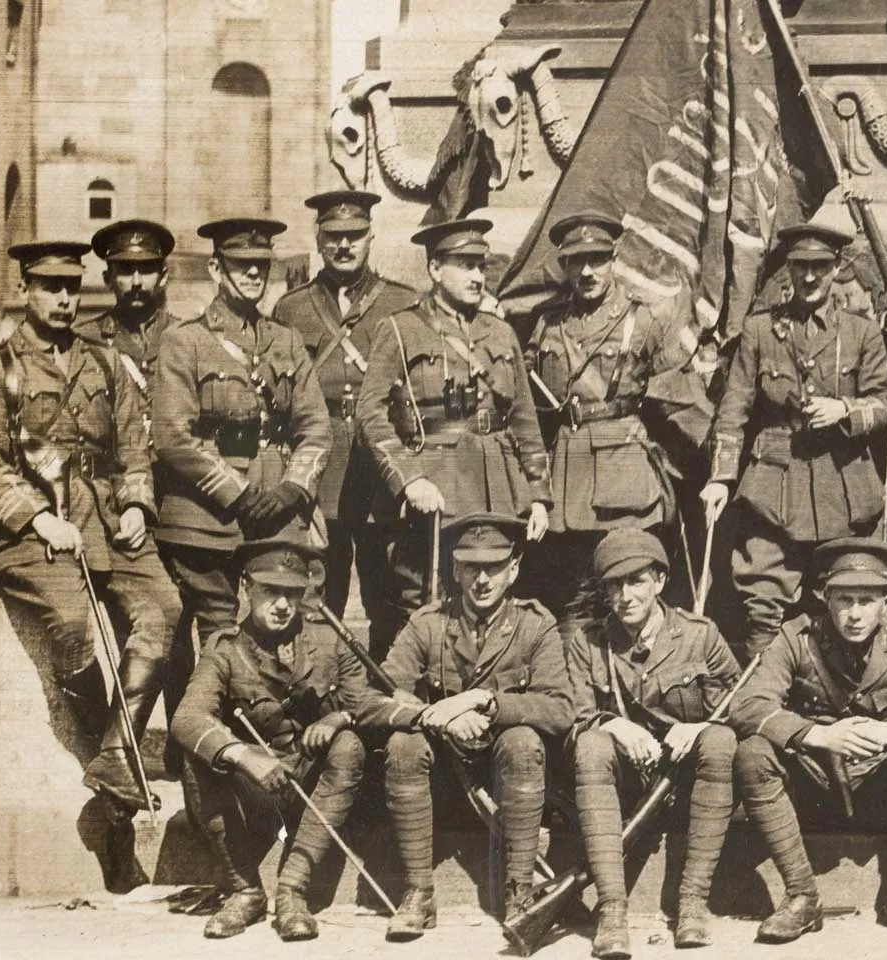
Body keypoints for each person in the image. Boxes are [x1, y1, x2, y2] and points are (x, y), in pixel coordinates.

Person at [0, 240, 182, 813]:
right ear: (26, 291)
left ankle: (114, 750)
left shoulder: (102, 361)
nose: (61, 299)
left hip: (107, 520)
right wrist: (37, 518)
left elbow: (132, 445)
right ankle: (98, 751)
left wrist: (136, 505)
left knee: (165, 609)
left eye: (70, 287)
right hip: (29, 535)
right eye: (48, 287)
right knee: (72, 619)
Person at [168, 537, 426, 941]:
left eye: (292, 593)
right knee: (198, 754)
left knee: (348, 745)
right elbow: (187, 717)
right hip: (257, 791)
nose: (283, 604)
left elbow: (364, 706)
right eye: (271, 591)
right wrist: (241, 755)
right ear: (245, 588)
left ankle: (292, 891)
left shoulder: (327, 640)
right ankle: (246, 890)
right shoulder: (224, 649)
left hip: (315, 787)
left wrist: (342, 717)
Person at [729, 538, 887, 945]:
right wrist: (817, 734)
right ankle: (802, 896)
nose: (855, 614)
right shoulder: (796, 637)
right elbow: (748, 705)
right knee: (753, 754)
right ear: (825, 597)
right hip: (815, 783)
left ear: (885, 603)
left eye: (866, 601)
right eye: (844, 600)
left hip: (879, 782)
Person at [151, 217, 330, 733]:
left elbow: (316, 426)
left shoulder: (286, 341)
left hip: (275, 508)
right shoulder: (184, 342)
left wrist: (294, 488)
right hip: (206, 519)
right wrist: (240, 495)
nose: (253, 274)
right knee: (219, 640)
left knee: (285, 628)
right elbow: (173, 438)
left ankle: (282, 744)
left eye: (260, 266)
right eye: (240, 265)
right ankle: (208, 756)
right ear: (215, 268)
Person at [359, 218, 552, 658]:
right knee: (426, 602)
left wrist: (538, 494)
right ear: (434, 269)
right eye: (464, 265)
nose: (477, 277)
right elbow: (371, 414)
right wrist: (408, 480)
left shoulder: (500, 333)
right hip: (434, 488)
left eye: (481, 266)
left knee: (492, 597)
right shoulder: (400, 330)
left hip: (495, 487)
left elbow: (523, 418)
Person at [702, 224, 887, 656]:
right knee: (763, 598)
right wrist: (721, 477)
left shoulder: (861, 332)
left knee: (844, 593)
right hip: (773, 483)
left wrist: (845, 410)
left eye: (820, 267)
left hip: (842, 483)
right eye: (800, 267)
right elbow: (734, 409)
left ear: (837, 268)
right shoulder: (758, 331)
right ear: (787, 269)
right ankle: (761, 699)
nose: (809, 278)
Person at [378, 512, 576, 936]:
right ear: (455, 569)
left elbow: (560, 708)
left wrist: (484, 703)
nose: (482, 580)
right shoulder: (428, 624)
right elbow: (373, 696)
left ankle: (519, 891)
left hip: (513, 775)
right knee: (402, 744)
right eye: (471, 567)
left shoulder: (535, 625)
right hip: (443, 775)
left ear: (514, 568)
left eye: (494, 567)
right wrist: (434, 717)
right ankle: (419, 893)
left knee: (522, 740)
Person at [564, 528, 743, 955]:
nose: (625, 595)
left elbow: (742, 707)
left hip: (689, 784)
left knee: (719, 741)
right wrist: (612, 724)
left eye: (636, 581)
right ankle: (611, 911)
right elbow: (573, 718)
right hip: (624, 785)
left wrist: (698, 728)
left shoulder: (701, 635)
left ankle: (693, 905)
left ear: (660, 581)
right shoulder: (589, 642)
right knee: (591, 744)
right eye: (613, 585)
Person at [524, 213, 685, 636]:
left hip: (625, 472)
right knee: (574, 592)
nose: (587, 271)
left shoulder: (644, 319)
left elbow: (677, 396)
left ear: (614, 259)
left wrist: (714, 468)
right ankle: (578, 688)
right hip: (568, 472)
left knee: (628, 578)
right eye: (576, 261)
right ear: (564, 266)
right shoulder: (547, 322)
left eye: (597, 259)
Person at [273, 190, 420, 641]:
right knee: (319, 594)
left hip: (380, 469)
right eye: (334, 236)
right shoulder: (292, 308)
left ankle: (382, 697)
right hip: (324, 468)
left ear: (370, 238)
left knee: (388, 594)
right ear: (318, 241)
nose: (344, 245)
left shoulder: (403, 302)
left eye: (354, 235)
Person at [77, 219, 185, 419]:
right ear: (107, 278)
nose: (136, 282)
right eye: (126, 270)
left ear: (163, 277)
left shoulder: (185, 336)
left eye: (146, 270)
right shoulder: (85, 340)